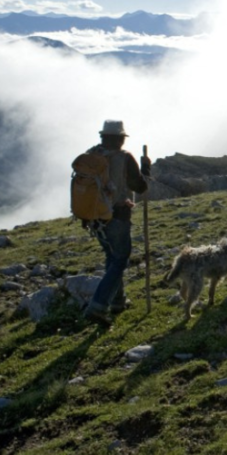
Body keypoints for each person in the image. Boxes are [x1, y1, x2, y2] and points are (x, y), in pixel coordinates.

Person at [83, 119, 151, 325]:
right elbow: (140, 187)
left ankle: (118, 302)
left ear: (103, 137)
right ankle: (98, 305)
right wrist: (146, 169)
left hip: (93, 217)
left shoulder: (90, 156)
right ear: (121, 139)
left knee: (112, 257)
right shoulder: (124, 158)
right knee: (120, 259)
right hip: (117, 216)